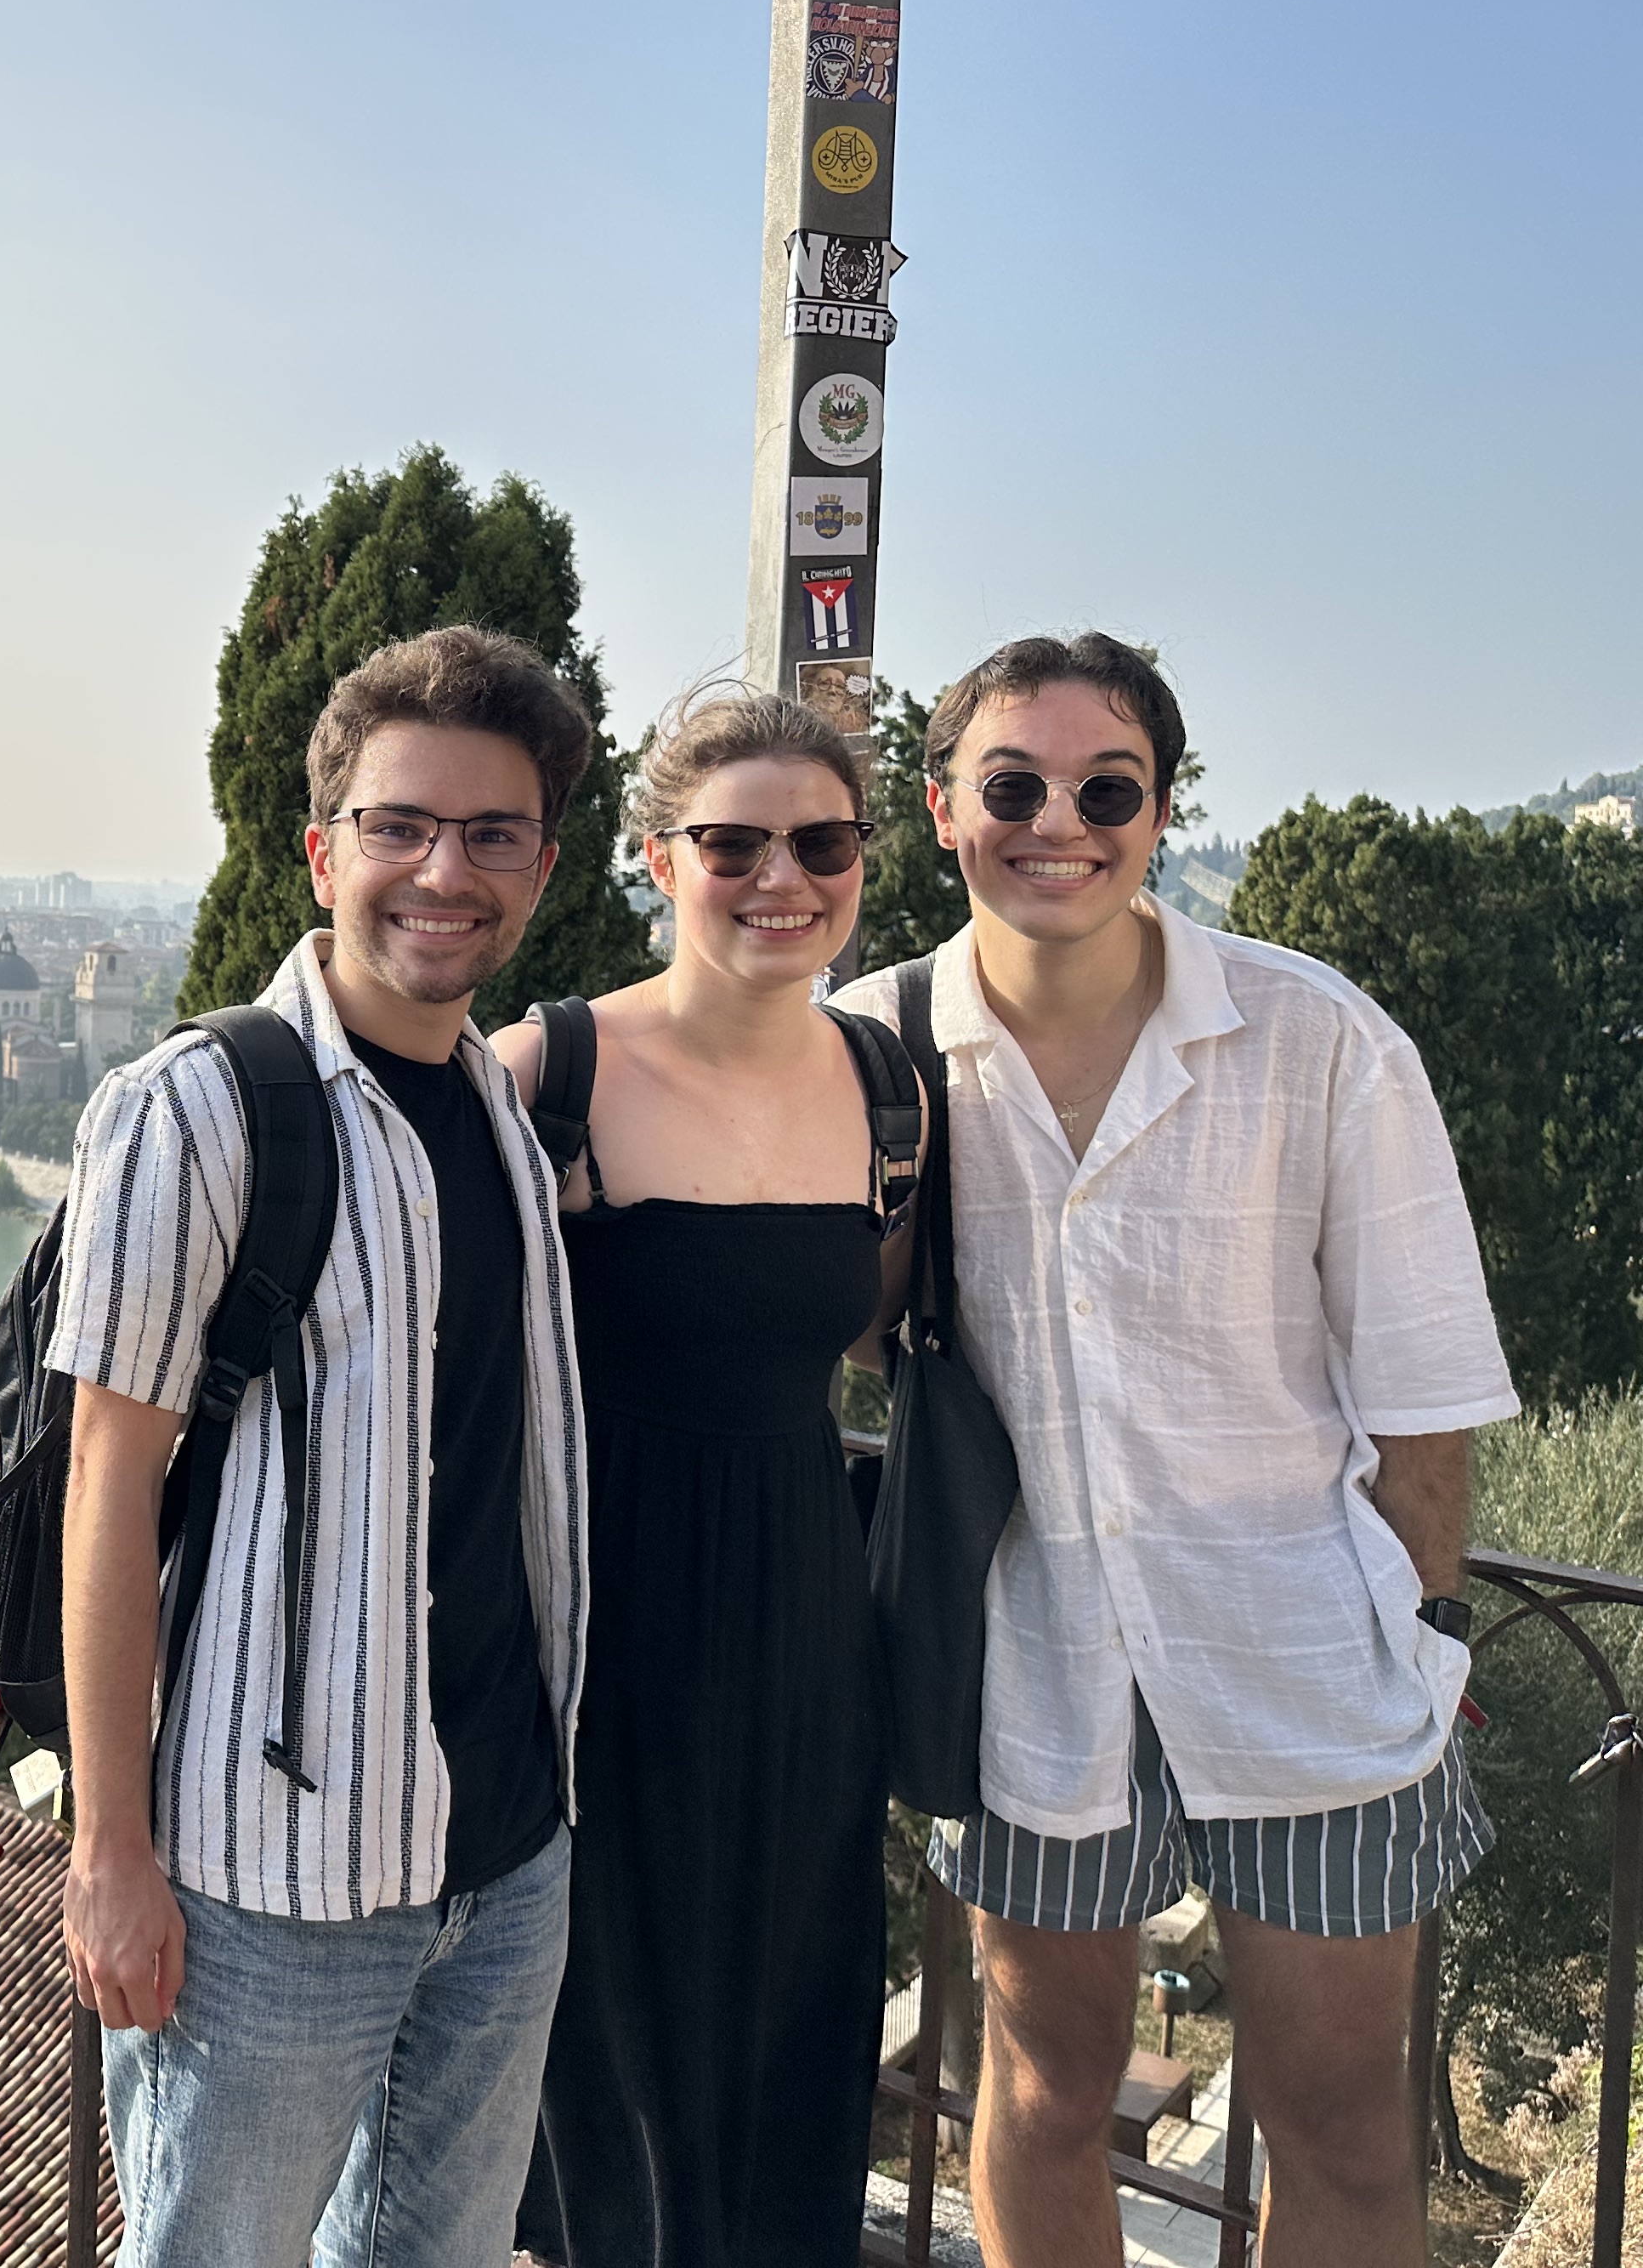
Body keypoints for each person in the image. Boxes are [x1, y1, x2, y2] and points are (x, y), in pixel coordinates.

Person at [832, 633, 1515, 2268]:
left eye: (1106, 787)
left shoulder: (1318, 1038)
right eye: (1013, 784)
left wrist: (1419, 1637)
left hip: (1308, 1665)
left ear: (1156, 813)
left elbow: (1422, 1399)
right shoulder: (870, 1049)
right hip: (1027, 1660)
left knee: (1343, 2128)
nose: (1057, 819)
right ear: (943, 809)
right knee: (1046, 2088)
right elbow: (832, 1326)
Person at [52, 622, 595, 2268]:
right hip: (264, 1881)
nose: (445, 870)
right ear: (323, 849)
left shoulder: (502, 1106)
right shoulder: (199, 1108)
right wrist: (110, 1852)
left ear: (544, 868)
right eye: (401, 826)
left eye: (492, 834)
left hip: (504, 1859)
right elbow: (108, 1487)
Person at [498, 688, 906, 2266]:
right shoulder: (556, 1071)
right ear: (660, 857)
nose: (780, 876)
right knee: (612, 2043)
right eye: (733, 842)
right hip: (605, 1636)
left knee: (789, 2010)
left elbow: (877, 1337)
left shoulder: (885, 1086)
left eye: (820, 841)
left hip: (809, 1635)